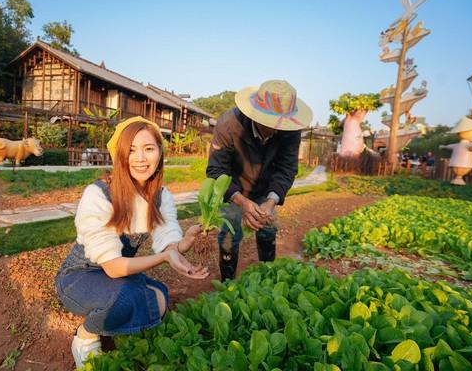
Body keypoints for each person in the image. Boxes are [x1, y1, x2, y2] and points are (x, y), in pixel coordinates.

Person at [55, 116, 208, 368]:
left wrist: (183, 244)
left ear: (160, 152)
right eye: (132, 150)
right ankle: (85, 337)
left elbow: (167, 241)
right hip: (80, 276)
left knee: (160, 298)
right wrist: (164, 257)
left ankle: (115, 322)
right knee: (125, 297)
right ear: (120, 155)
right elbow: (114, 267)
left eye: (148, 149)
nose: (140, 158)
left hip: (115, 275)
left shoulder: (160, 196)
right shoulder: (99, 194)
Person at [206, 80, 313, 281]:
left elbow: (286, 168)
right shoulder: (229, 124)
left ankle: (268, 279)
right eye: (271, 123)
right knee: (229, 235)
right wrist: (241, 201)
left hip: (266, 186)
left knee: (268, 229)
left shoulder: (290, 130)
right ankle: (227, 286)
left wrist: (270, 202)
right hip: (233, 187)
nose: (276, 128)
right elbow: (217, 170)